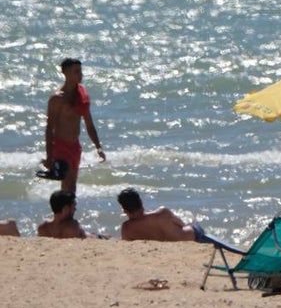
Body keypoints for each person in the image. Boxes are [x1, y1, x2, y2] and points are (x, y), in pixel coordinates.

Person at [43, 58, 106, 193]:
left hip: (75, 147)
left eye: (80, 71)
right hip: (60, 146)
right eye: (76, 71)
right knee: (69, 184)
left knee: (70, 187)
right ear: (65, 73)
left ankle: (64, 212)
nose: (80, 75)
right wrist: (49, 157)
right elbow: (49, 129)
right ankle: (64, 212)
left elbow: (89, 124)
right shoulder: (57, 99)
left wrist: (98, 147)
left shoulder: (81, 95)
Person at [118, 187, 207, 242]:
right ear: (141, 202)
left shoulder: (126, 228)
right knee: (192, 224)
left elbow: (127, 243)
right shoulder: (161, 213)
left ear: (124, 210)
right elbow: (181, 224)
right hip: (194, 236)